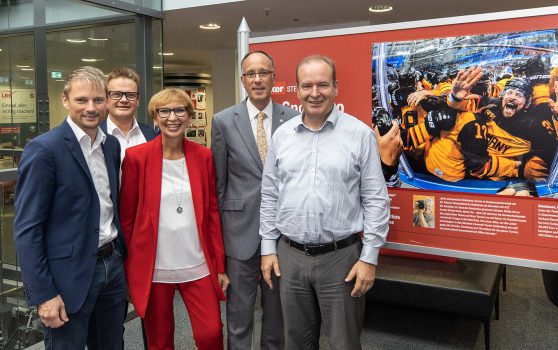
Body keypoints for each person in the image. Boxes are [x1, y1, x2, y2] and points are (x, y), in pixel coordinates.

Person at [260, 55, 390, 350]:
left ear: (335, 87)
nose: (314, 92)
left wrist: (369, 258)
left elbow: (376, 200)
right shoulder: (282, 136)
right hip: (289, 256)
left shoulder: (359, 135)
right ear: (297, 90)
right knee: (295, 341)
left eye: (322, 84)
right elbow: (269, 195)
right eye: (307, 85)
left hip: (341, 258)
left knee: (343, 342)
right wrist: (268, 248)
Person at [13, 66, 127, 348]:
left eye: (98, 100)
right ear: (65, 100)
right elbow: (28, 229)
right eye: (82, 100)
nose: (91, 108)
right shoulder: (44, 149)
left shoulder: (110, 146)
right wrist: (42, 294)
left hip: (112, 267)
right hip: (67, 278)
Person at [120, 88, 229, 349]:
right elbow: (127, 219)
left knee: (211, 333)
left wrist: (220, 265)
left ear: (189, 117)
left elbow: (213, 214)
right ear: (155, 119)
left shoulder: (203, 156)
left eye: (180, 110)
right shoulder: (137, 158)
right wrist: (128, 271)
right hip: (154, 267)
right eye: (164, 111)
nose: (172, 117)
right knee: (159, 340)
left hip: (197, 263)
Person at [211, 50, 296, 350]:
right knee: (238, 316)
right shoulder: (222, 121)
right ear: (242, 80)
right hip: (239, 236)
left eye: (264, 73)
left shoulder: (293, 119)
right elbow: (219, 186)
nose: (258, 79)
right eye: (251, 74)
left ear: (274, 76)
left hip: (282, 235)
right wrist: (219, 244)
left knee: (277, 317)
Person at [102, 67, 158, 161]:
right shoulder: (94, 135)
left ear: (138, 100)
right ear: (107, 98)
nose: (124, 100)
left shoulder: (154, 135)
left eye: (130, 95)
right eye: (116, 94)